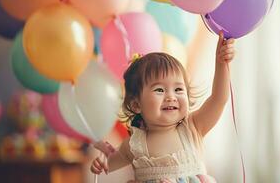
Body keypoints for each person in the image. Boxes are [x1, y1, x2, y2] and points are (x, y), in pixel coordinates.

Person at [91, 32, 235, 182]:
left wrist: (221, 63)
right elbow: (109, 163)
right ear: (136, 105)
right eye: (159, 90)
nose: (171, 97)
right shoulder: (134, 144)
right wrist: (102, 163)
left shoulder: (192, 127)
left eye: (178, 89)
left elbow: (219, 99)